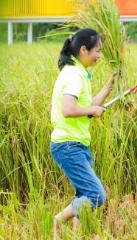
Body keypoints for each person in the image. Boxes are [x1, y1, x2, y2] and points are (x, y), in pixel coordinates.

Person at [50, 28, 115, 237]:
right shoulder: (74, 75)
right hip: (68, 146)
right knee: (96, 195)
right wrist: (93, 111)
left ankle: (78, 235)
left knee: (84, 194)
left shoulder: (78, 72)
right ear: (84, 50)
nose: (100, 56)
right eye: (98, 51)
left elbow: (86, 107)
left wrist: (107, 88)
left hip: (77, 144)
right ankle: (58, 220)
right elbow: (68, 110)